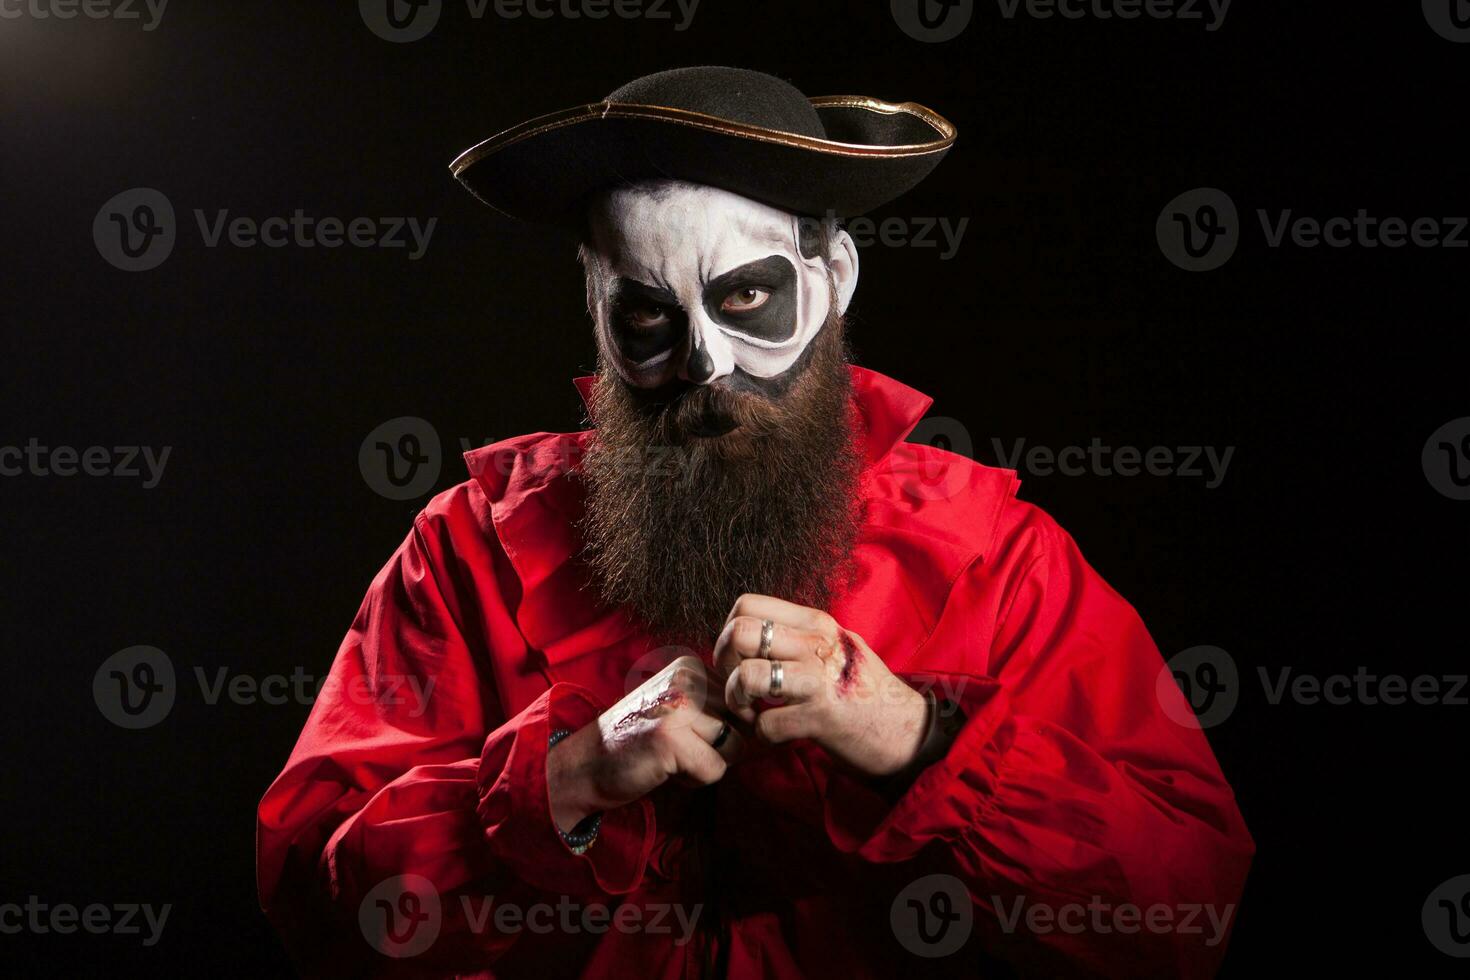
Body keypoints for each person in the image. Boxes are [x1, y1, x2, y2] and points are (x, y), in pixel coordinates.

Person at [257, 66, 1253, 978]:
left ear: (831, 277)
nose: (705, 364)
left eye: (745, 297)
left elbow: (1184, 915)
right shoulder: (467, 547)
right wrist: (566, 777)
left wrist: (916, 735)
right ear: (596, 308)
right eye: (647, 317)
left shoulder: (995, 554)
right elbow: (316, 902)